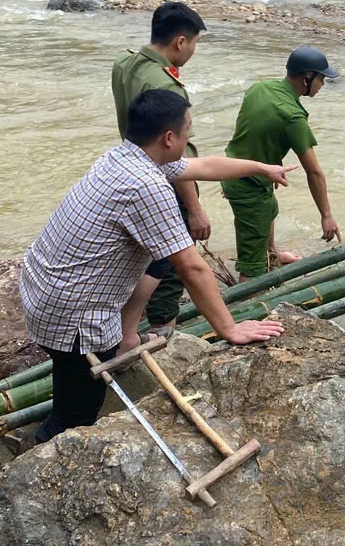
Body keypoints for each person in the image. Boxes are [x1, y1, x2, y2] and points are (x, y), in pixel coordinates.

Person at [21, 90, 291, 444]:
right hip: (74, 317)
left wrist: (262, 167)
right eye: (187, 132)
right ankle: (40, 461)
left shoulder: (124, 157)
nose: (189, 138)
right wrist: (231, 329)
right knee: (75, 416)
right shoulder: (147, 186)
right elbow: (193, 269)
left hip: (44, 290)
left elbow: (205, 166)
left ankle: (123, 337)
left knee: (160, 252)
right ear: (169, 138)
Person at [110, 1, 207, 349]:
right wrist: (194, 208)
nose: (193, 51)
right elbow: (175, 154)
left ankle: (127, 325)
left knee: (140, 258)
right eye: (194, 43)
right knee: (167, 263)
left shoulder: (125, 64)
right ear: (180, 41)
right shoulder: (165, 87)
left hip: (132, 168)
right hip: (164, 181)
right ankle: (161, 331)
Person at [222, 45, 342, 280]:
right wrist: (326, 215)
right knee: (252, 265)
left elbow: (252, 130)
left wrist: (269, 164)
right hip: (248, 185)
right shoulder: (293, 117)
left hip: (233, 168)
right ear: (307, 77)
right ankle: (250, 302)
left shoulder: (260, 87)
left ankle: (272, 254)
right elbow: (314, 172)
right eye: (321, 78)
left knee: (269, 209)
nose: (323, 84)